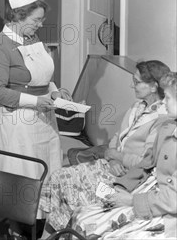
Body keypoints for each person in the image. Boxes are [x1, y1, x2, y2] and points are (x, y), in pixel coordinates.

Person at [39, 60, 170, 237]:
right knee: (58, 177)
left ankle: (68, 232)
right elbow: (117, 138)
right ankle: (53, 234)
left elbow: (146, 161)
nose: (132, 86)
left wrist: (116, 155)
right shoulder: (137, 106)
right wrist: (113, 157)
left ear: (154, 86)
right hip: (111, 164)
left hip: (128, 176)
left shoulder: (161, 119)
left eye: (137, 82)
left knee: (71, 186)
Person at [0, 0, 69, 236]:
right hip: (17, 121)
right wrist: (36, 101)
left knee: (48, 171)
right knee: (23, 176)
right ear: (18, 17)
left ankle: (42, 225)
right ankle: (18, 228)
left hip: (43, 117)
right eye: (35, 20)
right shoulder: (0, 46)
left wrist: (54, 93)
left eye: (41, 20)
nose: (40, 25)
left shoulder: (31, 39)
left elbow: (42, 77)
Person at [69, 72, 177, 240]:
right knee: (83, 216)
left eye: (168, 98)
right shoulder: (167, 128)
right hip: (145, 190)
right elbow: (146, 164)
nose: (163, 102)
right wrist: (121, 187)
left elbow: (172, 199)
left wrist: (132, 201)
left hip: (166, 209)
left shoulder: (162, 123)